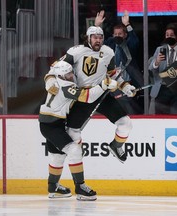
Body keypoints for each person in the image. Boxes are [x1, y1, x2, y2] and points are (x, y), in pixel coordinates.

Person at [45, 26, 136, 165]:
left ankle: (116, 146)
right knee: (73, 132)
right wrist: (50, 79)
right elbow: (56, 66)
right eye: (95, 37)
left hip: (101, 94)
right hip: (82, 97)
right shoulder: (76, 51)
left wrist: (125, 86)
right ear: (88, 38)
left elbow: (112, 74)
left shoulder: (108, 52)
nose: (98, 40)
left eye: (100, 38)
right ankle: (74, 158)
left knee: (126, 124)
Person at [40, 61, 118, 201]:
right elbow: (87, 97)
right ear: (62, 76)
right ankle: (80, 188)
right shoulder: (65, 86)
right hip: (51, 124)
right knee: (75, 150)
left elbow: (51, 70)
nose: (71, 75)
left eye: (71, 72)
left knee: (57, 156)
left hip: (51, 123)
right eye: (68, 74)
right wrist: (103, 85)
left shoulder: (58, 79)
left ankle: (53, 187)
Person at [95, 10, 144, 114]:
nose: (117, 36)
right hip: (112, 82)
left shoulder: (129, 45)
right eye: (115, 34)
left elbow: (135, 40)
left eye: (120, 34)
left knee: (130, 111)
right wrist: (97, 26)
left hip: (128, 82)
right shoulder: (109, 44)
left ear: (125, 35)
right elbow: (97, 42)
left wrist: (127, 24)